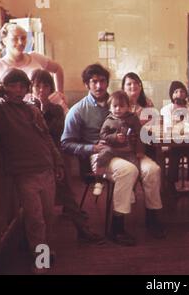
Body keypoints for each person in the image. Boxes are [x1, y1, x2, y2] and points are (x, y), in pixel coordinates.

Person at [61, 64, 165, 246]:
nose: (99, 86)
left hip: (129, 151)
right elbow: (65, 143)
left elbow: (137, 121)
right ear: (86, 84)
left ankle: (152, 218)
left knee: (153, 169)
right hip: (101, 154)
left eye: (102, 81)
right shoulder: (77, 110)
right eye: (94, 82)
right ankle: (117, 227)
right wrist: (91, 148)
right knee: (127, 170)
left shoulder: (119, 101)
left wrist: (137, 134)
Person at [0, 68, 64, 272]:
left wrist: (57, 162)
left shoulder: (32, 109)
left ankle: (45, 250)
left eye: (22, 86)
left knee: (49, 216)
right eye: (13, 85)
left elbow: (46, 137)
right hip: (24, 173)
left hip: (46, 168)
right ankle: (41, 260)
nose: (18, 90)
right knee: (35, 219)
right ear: (4, 88)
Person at [30, 69, 104, 244]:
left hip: (55, 159)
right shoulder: (26, 109)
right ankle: (35, 244)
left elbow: (52, 131)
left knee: (67, 197)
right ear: (31, 88)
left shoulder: (55, 110)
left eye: (46, 86)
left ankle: (83, 231)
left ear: (51, 89)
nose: (41, 90)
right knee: (35, 207)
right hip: (34, 163)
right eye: (37, 86)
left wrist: (42, 109)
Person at [0, 22, 67, 112]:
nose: (20, 42)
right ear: (5, 41)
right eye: (15, 39)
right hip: (19, 115)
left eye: (23, 38)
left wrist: (60, 92)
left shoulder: (35, 57)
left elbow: (57, 69)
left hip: (49, 111)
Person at [160, 81, 189, 193]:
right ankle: (171, 185)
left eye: (182, 91)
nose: (179, 94)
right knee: (174, 154)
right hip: (174, 142)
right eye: (176, 91)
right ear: (172, 95)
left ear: (186, 94)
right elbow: (169, 127)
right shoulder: (167, 109)